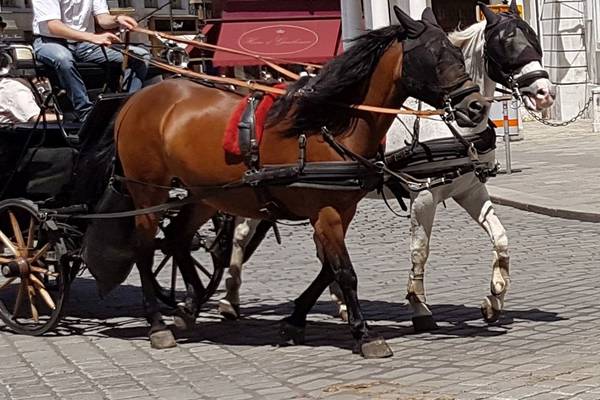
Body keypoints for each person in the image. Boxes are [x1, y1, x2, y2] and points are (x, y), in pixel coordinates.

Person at [31, 0, 149, 121]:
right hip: (49, 41)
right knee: (63, 59)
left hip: (84, 44)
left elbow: (102, 18)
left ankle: (126, 108)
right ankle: (86, 114)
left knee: (140, 56)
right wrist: (92, 37)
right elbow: (54, 26)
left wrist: (117, 19)